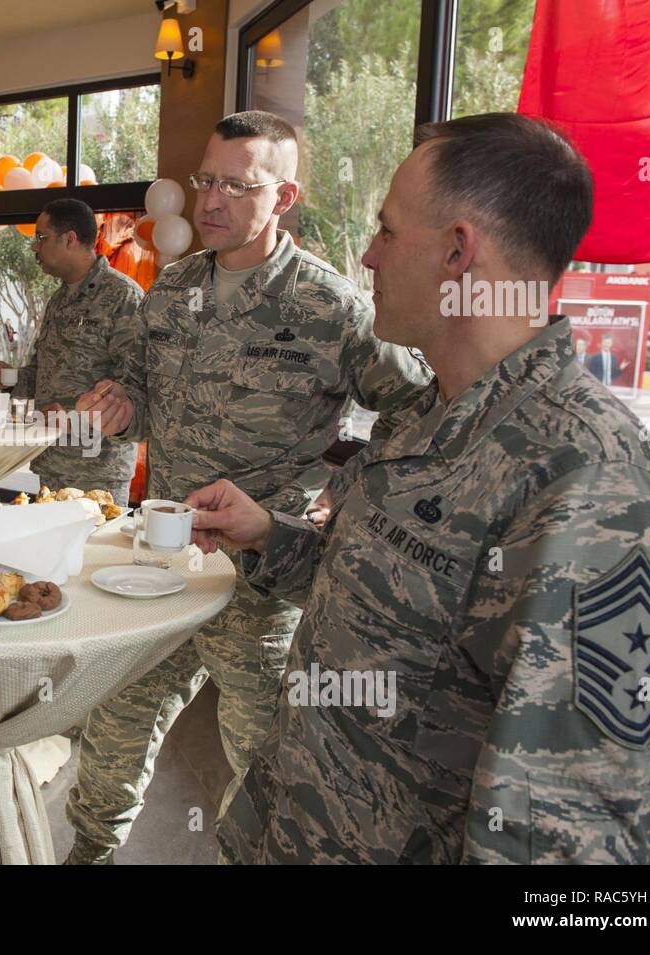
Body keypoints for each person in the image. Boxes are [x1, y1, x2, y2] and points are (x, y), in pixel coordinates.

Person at [193, 112, 650, 864]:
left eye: (388, 232)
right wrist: (271, 532)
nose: (368, 254)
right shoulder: (428, 416)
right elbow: (379, 592)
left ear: (458, 252)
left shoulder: (599, 490)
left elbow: (571, 856)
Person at [66, 111, 431, 864]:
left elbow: (423, 408)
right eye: (207, 179)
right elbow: (135, 387)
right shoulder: (170, 290)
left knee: (269, 773)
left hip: (261, 582)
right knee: (110, 735)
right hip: (160, 561)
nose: (210, 201)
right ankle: (88, 853)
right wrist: (116, 404)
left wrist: (347, 494)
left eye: (238, 184)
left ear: (285, 195)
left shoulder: (331, 308)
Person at [0, 198, 144, 505]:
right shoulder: (59, 299)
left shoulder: (122, 296)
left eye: (41, 237)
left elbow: (134, 386)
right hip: (51, 460)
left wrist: (72, 417)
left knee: (95, 553)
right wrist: (13, 380)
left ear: (70, 239)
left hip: (98, 468)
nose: (35, 247)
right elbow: (43, 372)